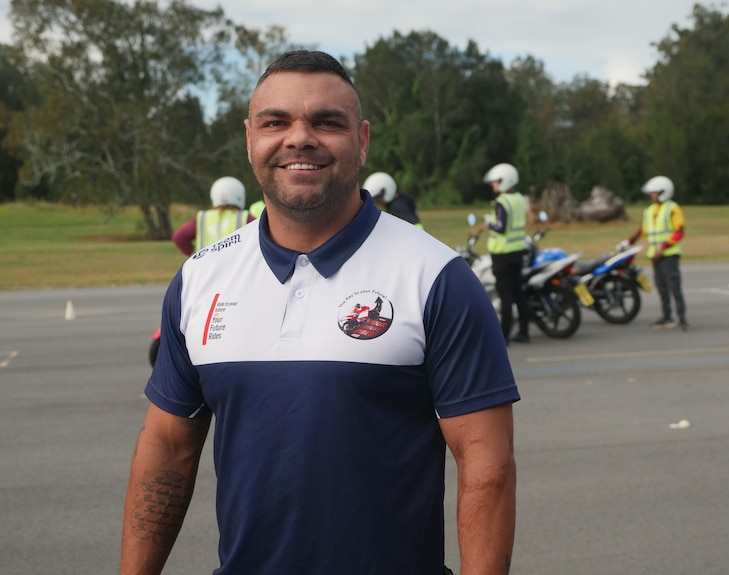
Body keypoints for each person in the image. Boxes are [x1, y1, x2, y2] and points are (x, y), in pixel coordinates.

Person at [120, 50, 519, 575]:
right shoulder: (199, 278)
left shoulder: (436, 276)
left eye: (327, 122)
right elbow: (167, 450)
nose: (299, 138)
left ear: (363, 139)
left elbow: (486, 468)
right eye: (275, 122)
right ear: (249, 139)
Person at [619, 175, 689, 331]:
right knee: (661, 287)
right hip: (655, 255)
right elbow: (643, 231)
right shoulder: (649, 210)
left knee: (674, 286)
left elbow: (679, 232)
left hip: (669, 254)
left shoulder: (673, 208)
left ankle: (682, 318)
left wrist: (664, 246)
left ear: (664, 192)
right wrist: (628, 242)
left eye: (654, 192)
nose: (651, 195)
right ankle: (666, 316)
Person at [483, 162, 531, 344]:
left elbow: (501, 227)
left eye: (496, 181)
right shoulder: (519, 198)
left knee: (506, 296)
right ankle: (524, 331)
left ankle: (504, 335)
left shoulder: (502, 201)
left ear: (505, 180)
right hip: (518, 251)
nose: (493, 184)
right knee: (519, 293)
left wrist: (489, 223)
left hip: (502, 255)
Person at [171, 176, 255, 256]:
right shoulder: (244, 217)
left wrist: (195, 256)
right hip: (236, 267)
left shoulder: (202, 218)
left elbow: (179, 238)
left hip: (206, 267)